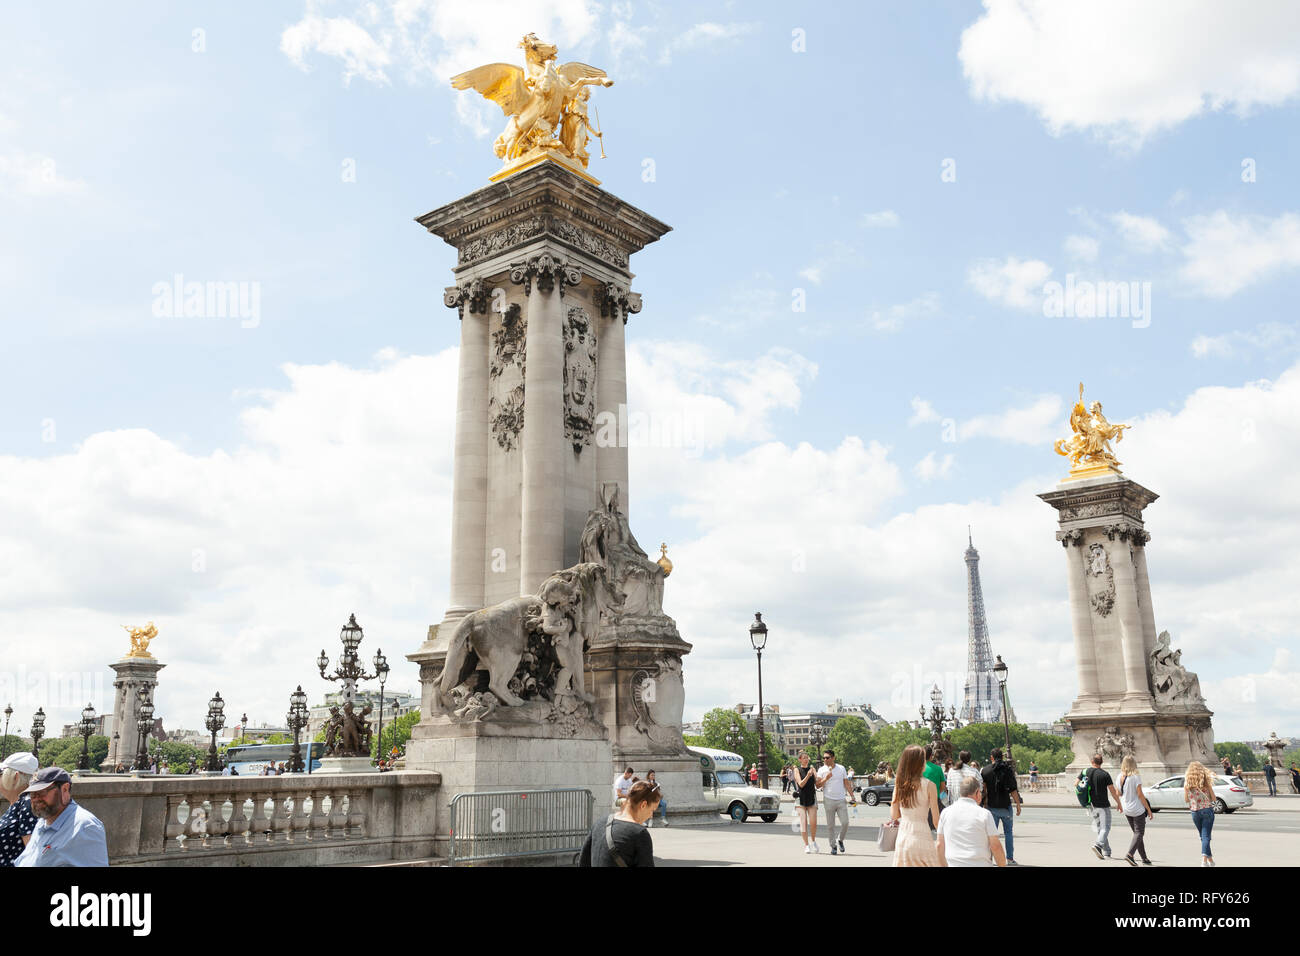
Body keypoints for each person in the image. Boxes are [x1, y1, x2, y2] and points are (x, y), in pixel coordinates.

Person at [14, 767, 109, 867]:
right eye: (32, 794)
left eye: (42, 792)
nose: (36, 799)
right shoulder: (43, 822)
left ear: (64, 789)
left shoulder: (85, 827)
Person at [579, 779, 660, 867]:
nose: (651, 815)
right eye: (652, 810)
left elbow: (583, 861)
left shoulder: (600, 823)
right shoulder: (639, 833)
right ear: (643, 805)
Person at [936, 773, 1006, 867]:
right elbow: (995, 846)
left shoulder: (945, 813)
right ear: (977, 792)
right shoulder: (984, 814)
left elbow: (940, 845)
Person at [890, 744, 942, 867]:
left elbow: (895, 815)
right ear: (919, 763)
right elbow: (936, 820)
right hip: (922, 836)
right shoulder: (929, 785)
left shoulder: (899, 784)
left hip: (903, 837)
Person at [981, 748, 1022, 865]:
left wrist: (984, 804)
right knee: (1008, 833)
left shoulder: (986, 771)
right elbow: (1013, 789)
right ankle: (1009, 858)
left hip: (992, 807)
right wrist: (1018, 805)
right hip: (1006, 806)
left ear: (991, 757)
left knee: (992, 835)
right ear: (1002, 757)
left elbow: (984, 790)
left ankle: (989, 858)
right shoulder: (1008, 770)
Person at [0, 753, 39, 867]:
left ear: (15, 777)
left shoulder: (27, 804)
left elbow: (34, 855)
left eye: (1, 774)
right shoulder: (20, 803)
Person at [815, 748, 855, 856]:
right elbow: (818, 785)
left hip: (841, 799)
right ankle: (833, 846)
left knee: (845, 823)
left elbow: (846, 783)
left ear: (833, 758)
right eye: (824, 758)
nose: (825, 759)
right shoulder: (821, 770)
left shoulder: (841, 768)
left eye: (827, 758)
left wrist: (852, 796)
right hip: (828, 800)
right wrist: (826, 778)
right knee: (830, 826)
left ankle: (840, 840)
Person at [1118, 754, 1154, 866]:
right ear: (1134, 764)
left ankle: (1144, 858)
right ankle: (1130, 855)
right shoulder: (1135, 776)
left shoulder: (1119, 776)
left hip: (1126, 809)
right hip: (1137, 809)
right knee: (1139, 833)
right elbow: (1140, 794)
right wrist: (1148, 809)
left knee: (1136, 834)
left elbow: (1118, 793)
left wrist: (1120, 805)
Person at [1084, 753, 1121, 860]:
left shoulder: (1086, 772)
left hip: (1091, 805)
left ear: (1092, 762)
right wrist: (1119, 803)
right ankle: (1098, 845)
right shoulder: (1105, 774)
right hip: (1103, 805)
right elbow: (1113, 791)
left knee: (1101, 828)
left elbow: (1076, 783)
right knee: (1106, 827)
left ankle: (1107, 852)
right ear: (1102, 762)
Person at [1184, 760, 1217, 867]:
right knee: (1206, 836)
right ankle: (1204, 860)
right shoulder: (1206, 782)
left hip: (1195, 812)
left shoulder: (1187, 784)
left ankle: (1210, 860)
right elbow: (1214, 798)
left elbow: (1186, 800)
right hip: (1207, 810)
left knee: (1203, 837)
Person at [792, 750, 820, 854]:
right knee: (803, 823)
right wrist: (808, 775)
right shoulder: (797, 770)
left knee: (813, 823)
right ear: (800, 759)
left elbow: (817, 784)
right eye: (804, 758)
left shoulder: (812, 769)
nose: (806, 759)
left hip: (811, 797)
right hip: (800, 798)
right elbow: (800, 784)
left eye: (807, 757)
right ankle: (806, 845)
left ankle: (813, 841)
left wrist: (824, 777)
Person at [923, 746, 945, 825]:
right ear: (931, 756)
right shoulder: (938, 769)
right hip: (935, 799)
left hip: (920, 800)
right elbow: (943, 787)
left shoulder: (917, 768)